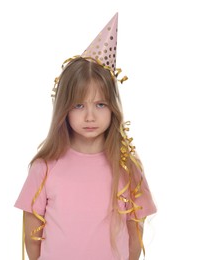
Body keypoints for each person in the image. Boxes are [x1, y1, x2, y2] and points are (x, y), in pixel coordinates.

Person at [14, 13, 157, 260]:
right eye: (79, 105)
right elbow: (31, 232)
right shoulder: (45, 166)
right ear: (64, 109)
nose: (90, 116)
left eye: (100, 104)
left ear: (113, 107)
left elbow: (135, 235)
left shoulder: (127, 168)